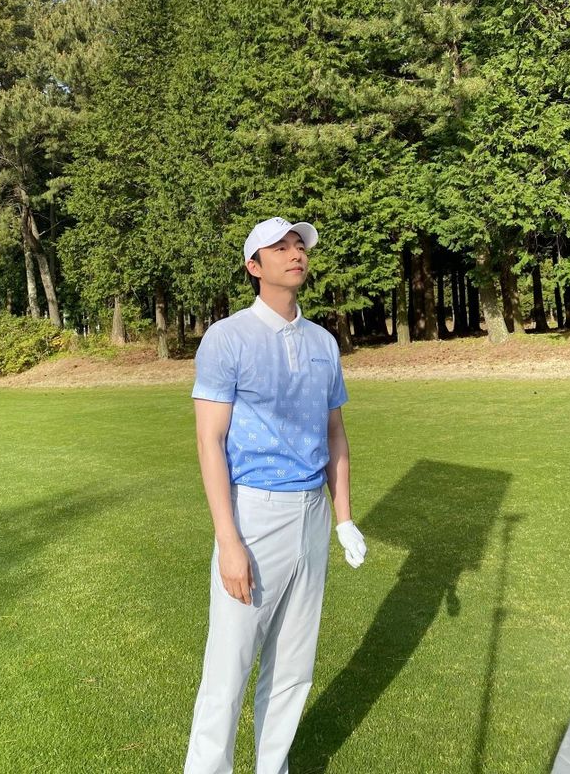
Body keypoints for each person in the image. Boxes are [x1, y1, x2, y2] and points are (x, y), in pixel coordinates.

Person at [184, 216, 367, 774]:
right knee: (229, 667)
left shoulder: (323, 343)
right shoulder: (227, 337)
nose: (295, 254)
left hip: (312, 514)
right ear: (253, 266)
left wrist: (343, 520)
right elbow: (210, 442)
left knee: (293, 665)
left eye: (299, 246)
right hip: (254, 514)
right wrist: (228, 540)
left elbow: (334, 433)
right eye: (279, 247)